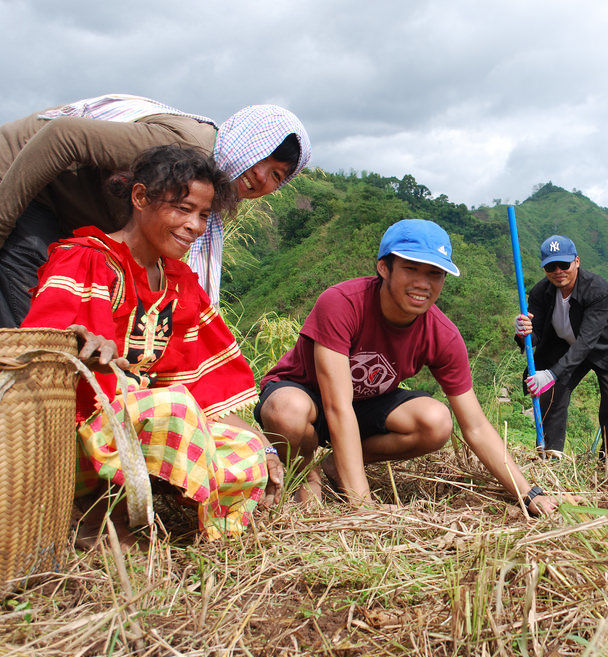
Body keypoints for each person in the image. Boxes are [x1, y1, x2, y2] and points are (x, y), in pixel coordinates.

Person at [21, 145, 283, 541]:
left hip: (145, 422)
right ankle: (95, 517)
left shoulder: (180, 284)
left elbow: (200, 388)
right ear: (140, 198)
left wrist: (264, 447)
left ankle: (203, 527)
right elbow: (41, 346)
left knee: (242, 445)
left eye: (203, 215)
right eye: (182, 208)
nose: (194, 225)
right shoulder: (86, 258)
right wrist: (80, 343)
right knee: (172, 408)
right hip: (76, 430)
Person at [256, 219, 563, 515]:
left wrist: (528, 493)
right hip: (309, 396)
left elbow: (476, 426)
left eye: (434, 273)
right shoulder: (342, 303)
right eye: (410, 269)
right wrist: (363, 506)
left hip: (365, 404)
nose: (422, 283)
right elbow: (337, 406)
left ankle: (336, 466)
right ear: (383, 268)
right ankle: (305, 471)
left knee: (436, 421)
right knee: (287, 411)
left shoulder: (442, 334)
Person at [0, 93, 311, 324]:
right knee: (37, 334)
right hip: (23, 181)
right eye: (262, 155)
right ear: (245, 140)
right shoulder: (183, 147)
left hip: (65, 216)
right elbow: (62, 136)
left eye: (276, 175)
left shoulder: (211, 191)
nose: (260, 175)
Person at [514, 235, 608, 457]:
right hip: (565, 347)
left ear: (577, 261)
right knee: (551, 394)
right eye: (550, 266)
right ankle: (550, 455)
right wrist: (522, 332)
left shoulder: (597, 289)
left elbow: (587, 341)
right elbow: (534, 334)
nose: (558, 271)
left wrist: (551, 373)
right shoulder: (541, 292)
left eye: (564, 264)